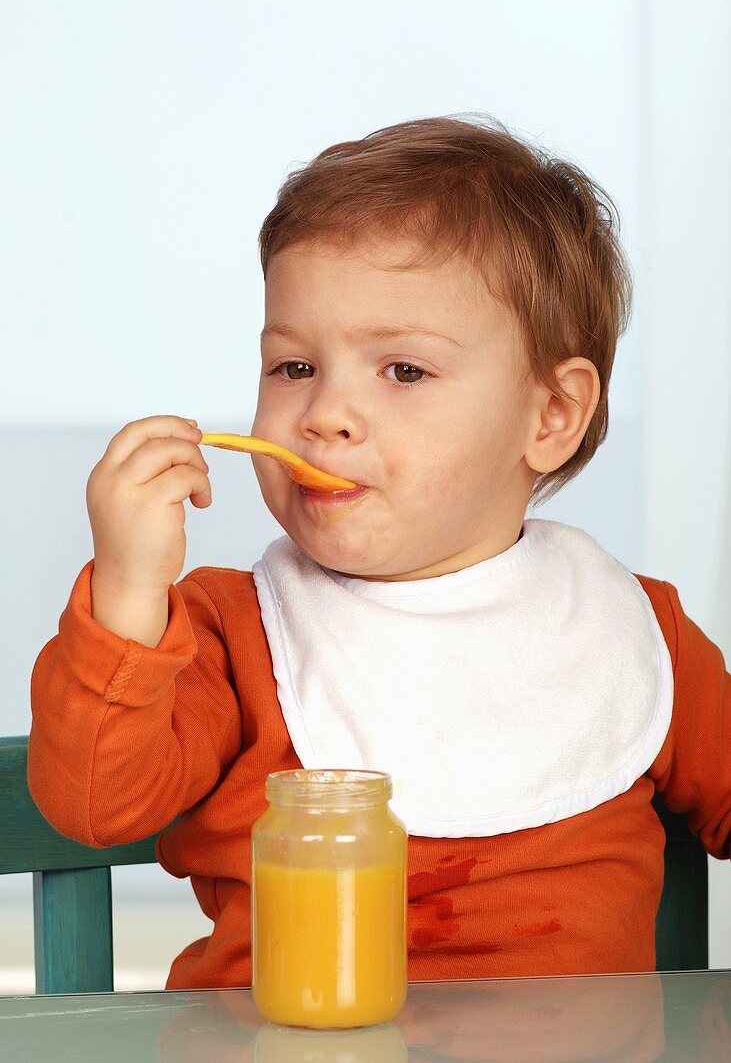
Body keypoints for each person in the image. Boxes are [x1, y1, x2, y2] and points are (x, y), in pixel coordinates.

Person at [27, 113, 731, 990]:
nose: (324, 413)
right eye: (294, 368)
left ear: (549, 416)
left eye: (402, 371)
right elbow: (96, 805)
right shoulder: (229, 632)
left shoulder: (634, 630)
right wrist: (130, 587)